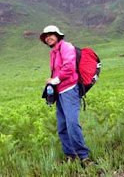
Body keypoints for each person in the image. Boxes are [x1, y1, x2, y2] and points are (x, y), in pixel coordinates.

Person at [40, 25, 95, 167]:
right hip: (60, 92)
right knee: (62, 126)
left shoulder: (66, 47)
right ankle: (71, 155)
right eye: (46, 36)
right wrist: (51, 82)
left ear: (58, 35)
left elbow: (69, 68)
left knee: (71, 123)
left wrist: (54, 80)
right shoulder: (54, 52)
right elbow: (58, 71)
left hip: (70, 90)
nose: (48, 38)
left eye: (50, 34)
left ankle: (84, 157)